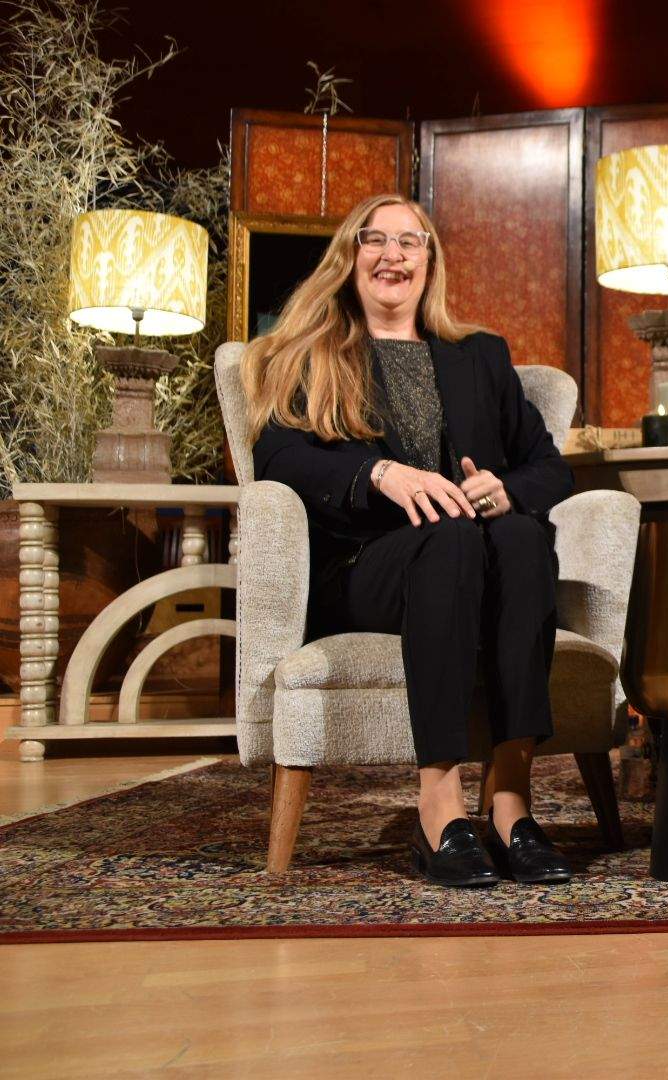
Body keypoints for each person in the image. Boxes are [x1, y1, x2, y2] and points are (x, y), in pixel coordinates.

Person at [243, 193, 575, 887]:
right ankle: (440, 806)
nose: (392, 254)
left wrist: (504, 489)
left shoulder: (480, 356)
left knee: (517, 538)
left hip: (478, 562)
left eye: (410, 242)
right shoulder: (308, 353)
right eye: (375, 239)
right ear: (350, 255)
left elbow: (550, 466)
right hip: (368, 567)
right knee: (450, 536)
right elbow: (277, 461)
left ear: (431, 263)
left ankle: (510, 799)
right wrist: (379, 472)